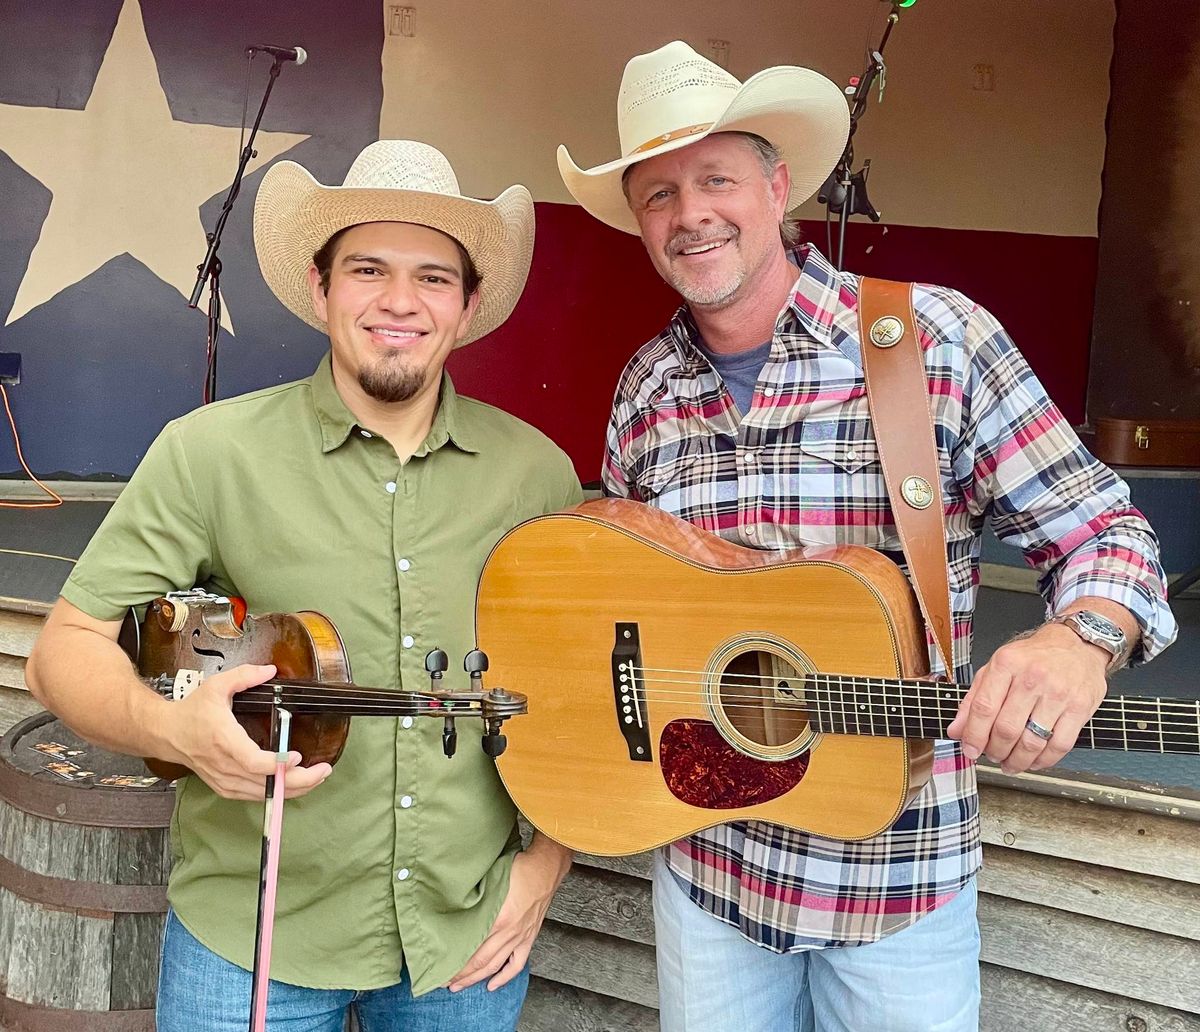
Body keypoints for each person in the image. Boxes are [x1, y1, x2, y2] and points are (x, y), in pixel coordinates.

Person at [557, 41, 1177, 1032]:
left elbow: (1106, 528)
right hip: (710, 867)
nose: (691, 215)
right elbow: (619, 598)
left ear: (779, 185)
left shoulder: (932, 342)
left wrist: (1080, 638)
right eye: (659, 195)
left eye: (716, 178)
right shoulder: (647, 389)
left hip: (898, 882)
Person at [27, 140, 582, 1032]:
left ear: (469, 306)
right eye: (368, 269)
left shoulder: (538, 474)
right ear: (321, 289)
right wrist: (174, 728)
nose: (400, 301)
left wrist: (546, 864)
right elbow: (65, 652)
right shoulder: (208, 453)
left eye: (434, 278)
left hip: (465, 945)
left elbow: (580, 693)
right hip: (251, 940)